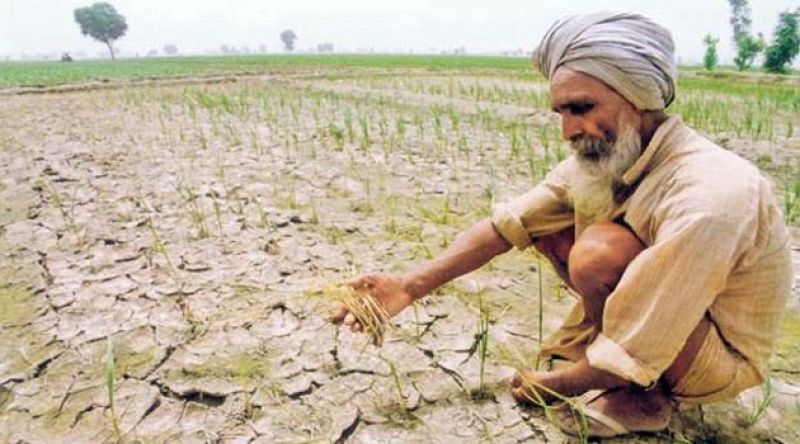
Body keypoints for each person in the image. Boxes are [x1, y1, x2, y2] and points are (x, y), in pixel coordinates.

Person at [332, 12, 793, 438]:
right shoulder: (610, 157)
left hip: (714, 358)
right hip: (668, 320)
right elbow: (505, 226)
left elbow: (662, 311)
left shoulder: (710, 193)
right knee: (553, 229)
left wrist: (559, 383)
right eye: (563, 112)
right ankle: (608, 361)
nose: (570, 129)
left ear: (638, 96)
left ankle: (642, 393)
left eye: (583, 107)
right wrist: (408, 287)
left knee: (598, 253)